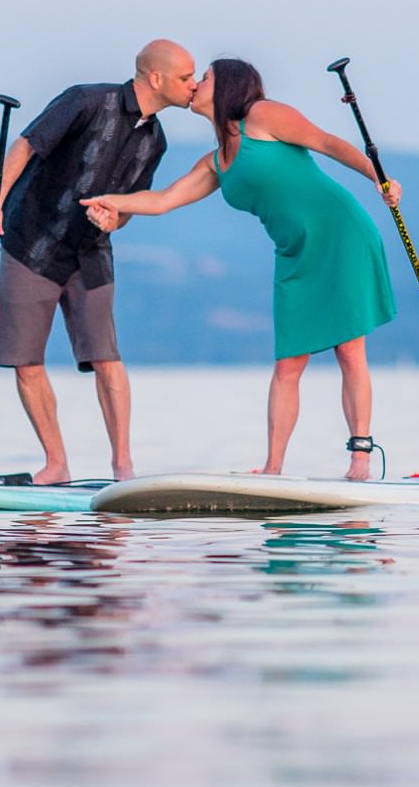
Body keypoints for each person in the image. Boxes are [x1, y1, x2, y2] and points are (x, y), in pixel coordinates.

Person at [84, 58, 400, 481]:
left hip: (342, 235)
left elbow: (326, 143)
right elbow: (162, 201)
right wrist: (111, 200)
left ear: (229, 85)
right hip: (294, 254)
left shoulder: (262, 115)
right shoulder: (215, 162)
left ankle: (360, 458)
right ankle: (273, 467)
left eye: (206, 77)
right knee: (288, 363)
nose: (195, 84)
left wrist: (378, 178)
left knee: (349, 351)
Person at [0, 39, 197, 482]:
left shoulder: (157, 141)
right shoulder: (84, 100)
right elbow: (24, 146)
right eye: (186, 78)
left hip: (91, 253)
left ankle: (123, 469)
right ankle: (56, 465)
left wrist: (114, 219)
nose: (193, 86)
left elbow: (131, 209)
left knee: (107, 357)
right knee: (25, 361)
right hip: (31, 243)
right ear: (156, 78)